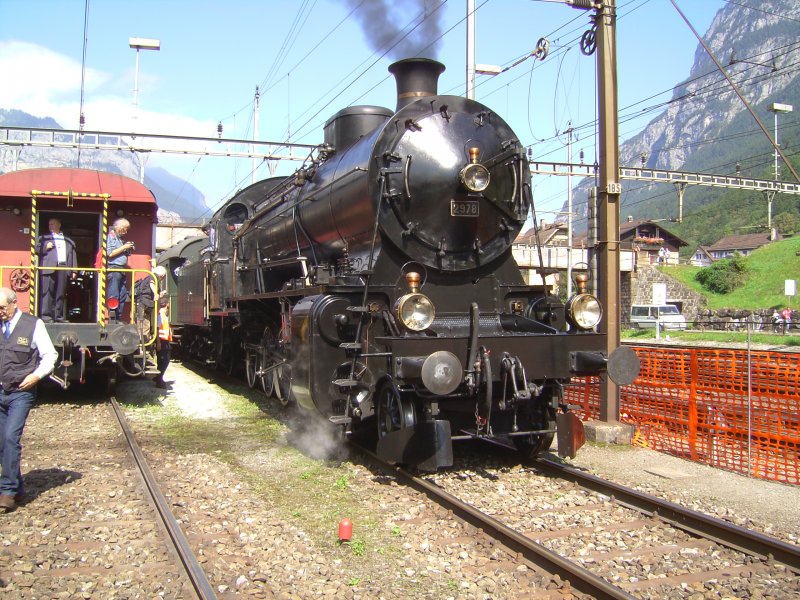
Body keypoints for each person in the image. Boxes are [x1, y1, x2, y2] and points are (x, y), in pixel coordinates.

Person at [0, 287, 57, 512]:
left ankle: (7, 491)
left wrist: (36, 376)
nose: (0, 312)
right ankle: (18, 487)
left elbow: (50, 355)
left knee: (11, 438)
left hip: (21, 392)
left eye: (3, 308)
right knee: (2, 441)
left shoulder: (33, 325)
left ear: (15, 303)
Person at [37, 217, 77, 323]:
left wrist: (74, 270)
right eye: (49, 224)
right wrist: (45, 247)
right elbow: (35, 249)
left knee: (60, 293)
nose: (50, 226)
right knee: (47, 292)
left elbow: (73, 255)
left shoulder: (68, 239)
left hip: (63, 267)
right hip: (48, 267)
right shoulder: (44, 238)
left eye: (53, 224)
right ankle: (46, 316)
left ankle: (58, 317)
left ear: (59, 225)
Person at [106, 218, 134, 322]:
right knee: (114, 294)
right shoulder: (111, 237)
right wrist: (124, 247)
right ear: (119, 228)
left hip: (122, 270)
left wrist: (127, 248)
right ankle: (112, 318)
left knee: (122, 295)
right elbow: (110, 253)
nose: (126, 232)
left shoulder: (120, 239)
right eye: (125, 229)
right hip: (114, 269)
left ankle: (118, 317)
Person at [154, 300, 172, 389]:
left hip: (165, 340)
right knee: (163, 361)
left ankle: (158, 378)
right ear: (167, 304)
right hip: (161, 341)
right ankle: (159, 380)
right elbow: (157, 329)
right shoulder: (160, 315)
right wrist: (158, 342)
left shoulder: (164, 315)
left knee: (166, 360)